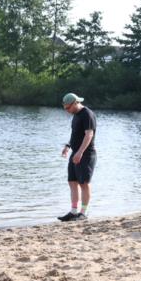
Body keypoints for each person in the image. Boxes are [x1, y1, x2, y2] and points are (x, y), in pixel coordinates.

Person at [58, 92, 96, 222]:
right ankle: (73, 212)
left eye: (68, 108)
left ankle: (83, 212)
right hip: (75, 152)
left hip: (86, 154)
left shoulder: (87, 114)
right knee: (72, 181)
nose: (66, 110)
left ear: (75, 103)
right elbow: (75, 134)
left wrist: (80, 152)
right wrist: (68, 146)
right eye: (65, 108)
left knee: (84, 183)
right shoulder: (76, 115)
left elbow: (89, 135)